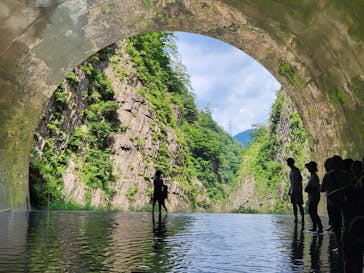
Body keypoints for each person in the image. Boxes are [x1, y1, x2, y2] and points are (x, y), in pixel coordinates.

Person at [304, 161, 323, 233]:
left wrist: (308, 189)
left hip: (314, 197)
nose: (308, 169)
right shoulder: (313, 176)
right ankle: (315, 227)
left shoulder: (314, 177)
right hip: (313, 197)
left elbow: (315, 188)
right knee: (312, 211)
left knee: (313, 212)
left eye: (309, 168)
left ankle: (319, 226)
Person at [286, 158, 304, 223]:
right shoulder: (290, 172)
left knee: (299, 204)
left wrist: (298, 189)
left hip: (297, 190)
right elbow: (292, 182)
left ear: (292, 163)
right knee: (294, 205)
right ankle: (296, 218)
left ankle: (303, 218)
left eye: (288, 162)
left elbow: (300, 179)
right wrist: (290, 190)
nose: (288, 164)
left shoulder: (296, 170)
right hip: (292, 191)